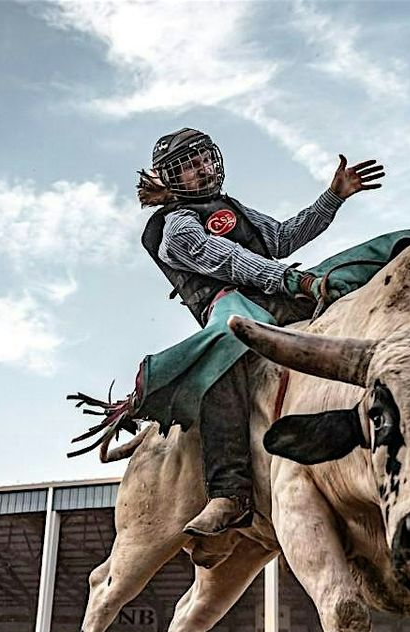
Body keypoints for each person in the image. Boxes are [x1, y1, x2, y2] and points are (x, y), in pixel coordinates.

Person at [137, 128, 385, 537]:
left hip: (281, 287)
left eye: (203, 160)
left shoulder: (235, 209)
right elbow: (233, 262)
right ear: (171, 180)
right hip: (234, 304)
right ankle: (229, 492)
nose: (200, 170)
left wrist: (334, 196)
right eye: (187, 167)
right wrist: (294, 283)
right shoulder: (174, 227)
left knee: (369, 265)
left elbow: (283, 237)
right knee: (227, 347)